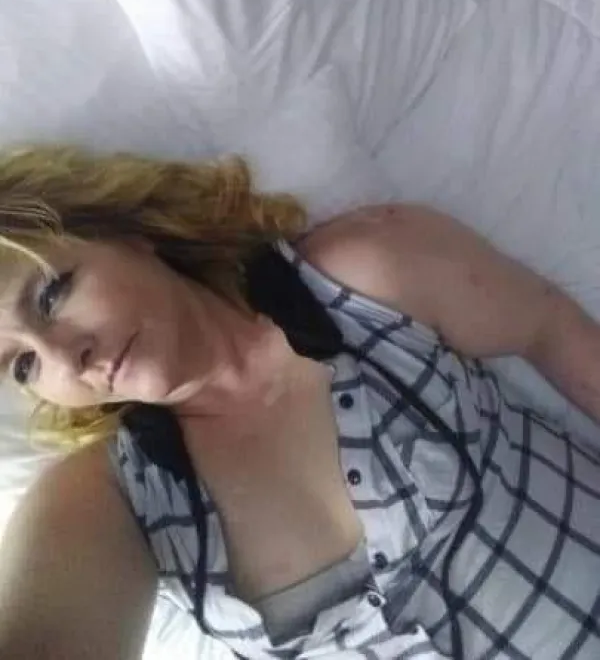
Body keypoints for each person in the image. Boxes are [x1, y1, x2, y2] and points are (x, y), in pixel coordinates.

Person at [0, 146, 598, 660]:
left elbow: (550, 329)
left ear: (129, 237)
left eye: (51, 295)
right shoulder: (118, 498)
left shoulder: (364, 281)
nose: (64, 358)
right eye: (22, 365)